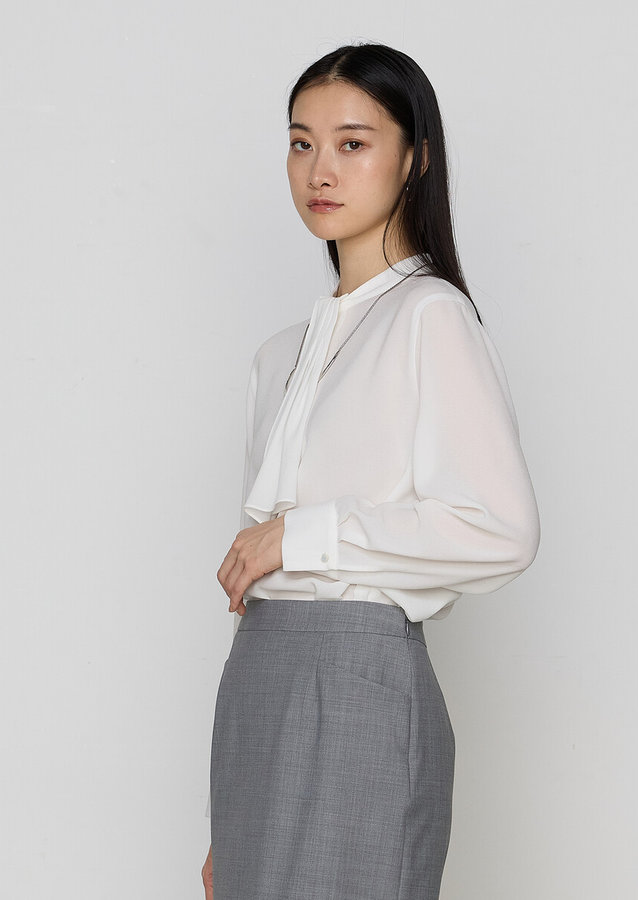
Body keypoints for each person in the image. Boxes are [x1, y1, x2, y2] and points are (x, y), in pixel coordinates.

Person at [202, 42, 540, 900]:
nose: (320, 170)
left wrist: (300, 535)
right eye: (301, 143)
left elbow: (499, 530)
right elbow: (261, 579)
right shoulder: (277, 356)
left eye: (352, 143)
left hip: (357, 686)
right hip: (258, 682)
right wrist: (225, 822)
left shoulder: (431, 316)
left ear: (414, 157)